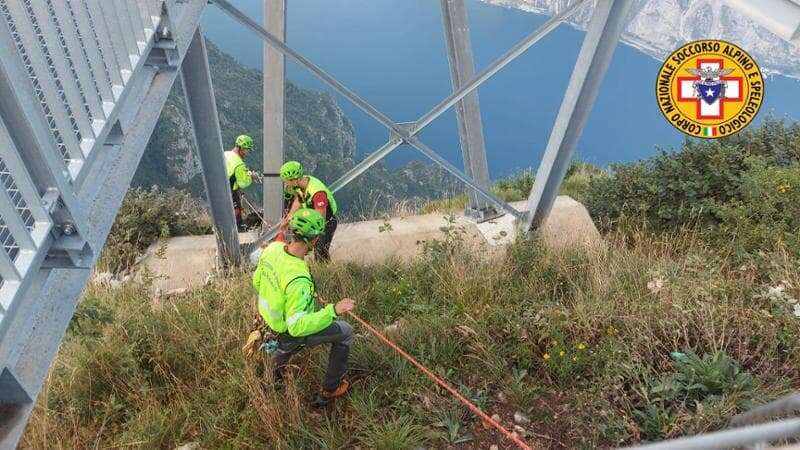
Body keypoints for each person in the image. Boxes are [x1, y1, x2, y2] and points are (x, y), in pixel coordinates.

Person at [252, 208, 355, 406]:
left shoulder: (272, 250)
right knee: (346, 332)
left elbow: (257, 282)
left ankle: (274, 381)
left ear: (293, 232)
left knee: (282, 350)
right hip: (287, 332)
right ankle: (330, 390)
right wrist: (333, 311)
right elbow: (297, 327)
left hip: (266, 323)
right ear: (314, 240)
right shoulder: (299, 279)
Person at [279, 161, 339, 262]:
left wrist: (312, 235)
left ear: (295, 180)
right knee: (300, 246)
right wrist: (289, 217)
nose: (286, 184)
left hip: (326, 223)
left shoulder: (318, 193)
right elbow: (299, 199)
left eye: (287, 181)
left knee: (320, 252)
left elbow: (320, 218)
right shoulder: (300, 184)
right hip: (313, 219)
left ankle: (325, 272)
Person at [224, 135, 255, 231]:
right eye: (247, 150)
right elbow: (243, 183)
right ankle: (236, 236)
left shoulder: (225, 154)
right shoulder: (239, 164)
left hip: (218, 190)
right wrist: (251, 177)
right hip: (231, 193)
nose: (248, 153)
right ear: (242, 148)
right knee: (236, 217)